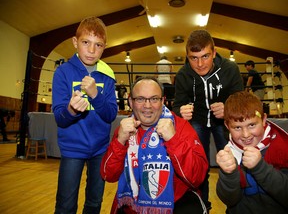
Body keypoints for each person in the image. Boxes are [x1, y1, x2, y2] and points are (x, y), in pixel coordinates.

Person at [101, 76, 208, 213]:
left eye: (154, 99)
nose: (147, 106)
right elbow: (107, 175)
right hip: (133, 204)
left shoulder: (180, 127)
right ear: (130, 102)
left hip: (176, 202)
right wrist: (120, 141)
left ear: (163, 101)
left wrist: (173, 139)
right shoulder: (124, 129)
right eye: (140, 99)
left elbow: (197, 178)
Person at [172, 29, 244, 211]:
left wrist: (228, 109)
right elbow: (176, 106)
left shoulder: (230, 69)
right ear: (187, 57)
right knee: (197, 166)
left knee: (232, 163)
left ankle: (235, 206)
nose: (200, 64)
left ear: (214, 52)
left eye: (205, 56)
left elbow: (243, 103)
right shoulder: (183, 75)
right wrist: (180, 111)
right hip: (198, 120)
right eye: (193, 58)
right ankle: (202, 205)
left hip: (225, 122)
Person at [52, 16, 118, 214]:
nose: (91, 50)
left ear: (104, 47)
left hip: (100, 149)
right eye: (86, 42)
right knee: (65, 205)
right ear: (75, 42)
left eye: (98, 45)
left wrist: (95, 95)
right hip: (72, 149)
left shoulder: (107, 76)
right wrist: (71, 110)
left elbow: (110, 115)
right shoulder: (63, 72)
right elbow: (60, 119)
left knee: (94, 202)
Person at [216, 91, 288, 213]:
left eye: (252, 125)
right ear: (227, 126)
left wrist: (260, 167)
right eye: (237, 127)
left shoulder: (282, 144)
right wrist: (228, 174)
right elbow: (229, 200)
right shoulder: (229, 153)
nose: (246, 135)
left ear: (264, 119)